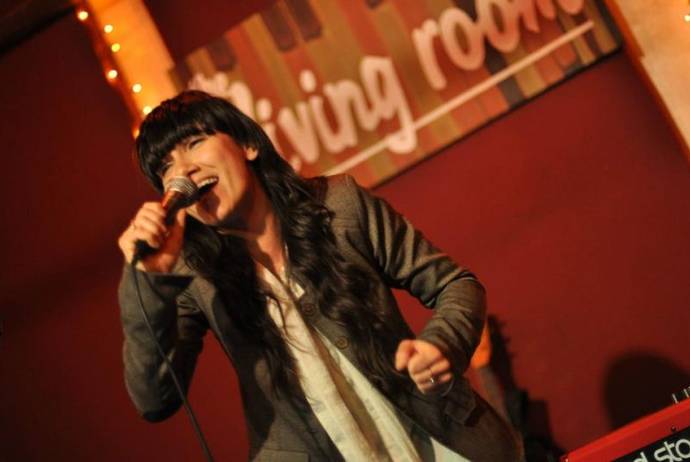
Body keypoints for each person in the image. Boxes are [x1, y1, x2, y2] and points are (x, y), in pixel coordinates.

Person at [117, 90, 522, 461]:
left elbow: (455, 284)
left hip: (437, 444)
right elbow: (154, 399)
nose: (183, 170)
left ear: (247, 145)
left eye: (194, 143)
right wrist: (146, 281)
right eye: (166, 167)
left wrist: (442, 345)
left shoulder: (339, 206)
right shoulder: (191, 274)